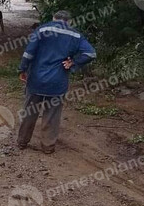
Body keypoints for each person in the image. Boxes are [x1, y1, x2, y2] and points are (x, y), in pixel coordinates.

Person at [17, 10, 97, 154]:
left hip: (36, 79)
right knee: (52, 114)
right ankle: (48, 146)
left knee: (30, 111)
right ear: (69, 21)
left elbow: (29, 53)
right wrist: (74, 62)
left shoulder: (42, 29)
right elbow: (91, 53)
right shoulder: (75, 34)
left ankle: (22, 141)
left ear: (54, 18)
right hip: (57, 82)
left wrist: (22, 69)